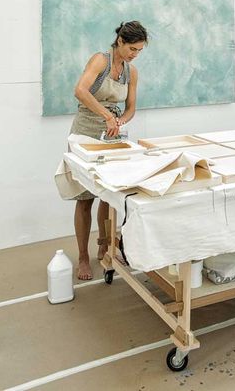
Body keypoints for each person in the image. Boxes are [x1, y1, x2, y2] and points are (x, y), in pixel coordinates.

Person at [70, 20, 148, 280]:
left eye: (139, 51)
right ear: (120, 41)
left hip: (112, 133)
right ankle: (82, 257)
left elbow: (130, 109)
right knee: (84, 198)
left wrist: (119, 121)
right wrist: (106, 115)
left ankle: (103, 246)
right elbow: (80, 91)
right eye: (132, 49)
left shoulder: (131, 72)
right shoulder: (100, 60)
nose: (134, 54)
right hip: (86, 130)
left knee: (108, 194)